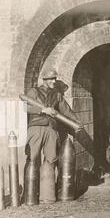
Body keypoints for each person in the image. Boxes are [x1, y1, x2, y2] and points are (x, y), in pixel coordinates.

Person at [24, 70, 82, 202]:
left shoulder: (57, 95)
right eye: (51, 79)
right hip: (36, 128)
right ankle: (29, 196)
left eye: (54, 79)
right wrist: (43, 110)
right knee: (32, 159)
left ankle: (47, 197)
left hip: (52, 130)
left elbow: (66, 111)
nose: (54, 81)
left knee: (51, 160)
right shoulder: (33, 92)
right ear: (44, 79)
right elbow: (25, 107)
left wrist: (77, 122)